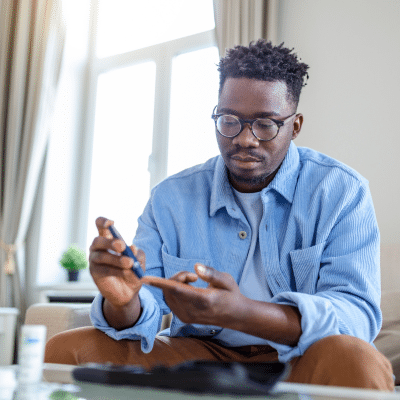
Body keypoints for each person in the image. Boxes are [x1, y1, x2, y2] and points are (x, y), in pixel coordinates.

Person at [45, 40, 394, 391]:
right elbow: (141, 312)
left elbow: (356, 317)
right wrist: (124, 302)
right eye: (230, 120)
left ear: (296, 125)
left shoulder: (341, 191)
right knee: (67, 349)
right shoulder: (171, 198)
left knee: (358, 360)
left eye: (265, 124)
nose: (245, 139)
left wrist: (242, 313)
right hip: (198, 356)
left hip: (299, 359)